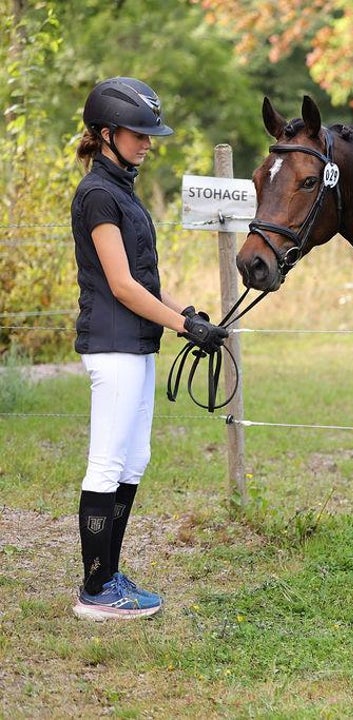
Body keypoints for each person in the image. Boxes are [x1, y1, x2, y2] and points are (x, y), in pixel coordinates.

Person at [70, 77, 228, 620]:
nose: (147, 142)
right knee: (107, 462)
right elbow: (120, 285)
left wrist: (187, 314)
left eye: (148, 133)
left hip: (136, 343)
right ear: (107, 133)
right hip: (112, 345)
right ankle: (94, 591)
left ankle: (109, 573)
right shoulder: (96, 195)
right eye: (138, 133)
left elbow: (147, 284)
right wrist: (183, 329)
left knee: (134, 459)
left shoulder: (123, 192)